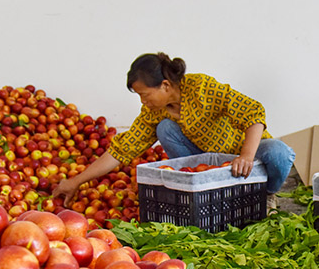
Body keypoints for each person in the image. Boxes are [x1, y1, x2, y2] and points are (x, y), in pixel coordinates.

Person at [53, 52, 296, 204]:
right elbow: (121, 150)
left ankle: (266, 195)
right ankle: (199, 189)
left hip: (245, 154)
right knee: (165, 128)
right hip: (207, 163)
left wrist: (246, 155)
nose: (142, 101)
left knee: (279, 152)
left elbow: (253, 112)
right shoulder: (154, 111)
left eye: (145, 94)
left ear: (165, 85)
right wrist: (76, 181)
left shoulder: (202, 87)